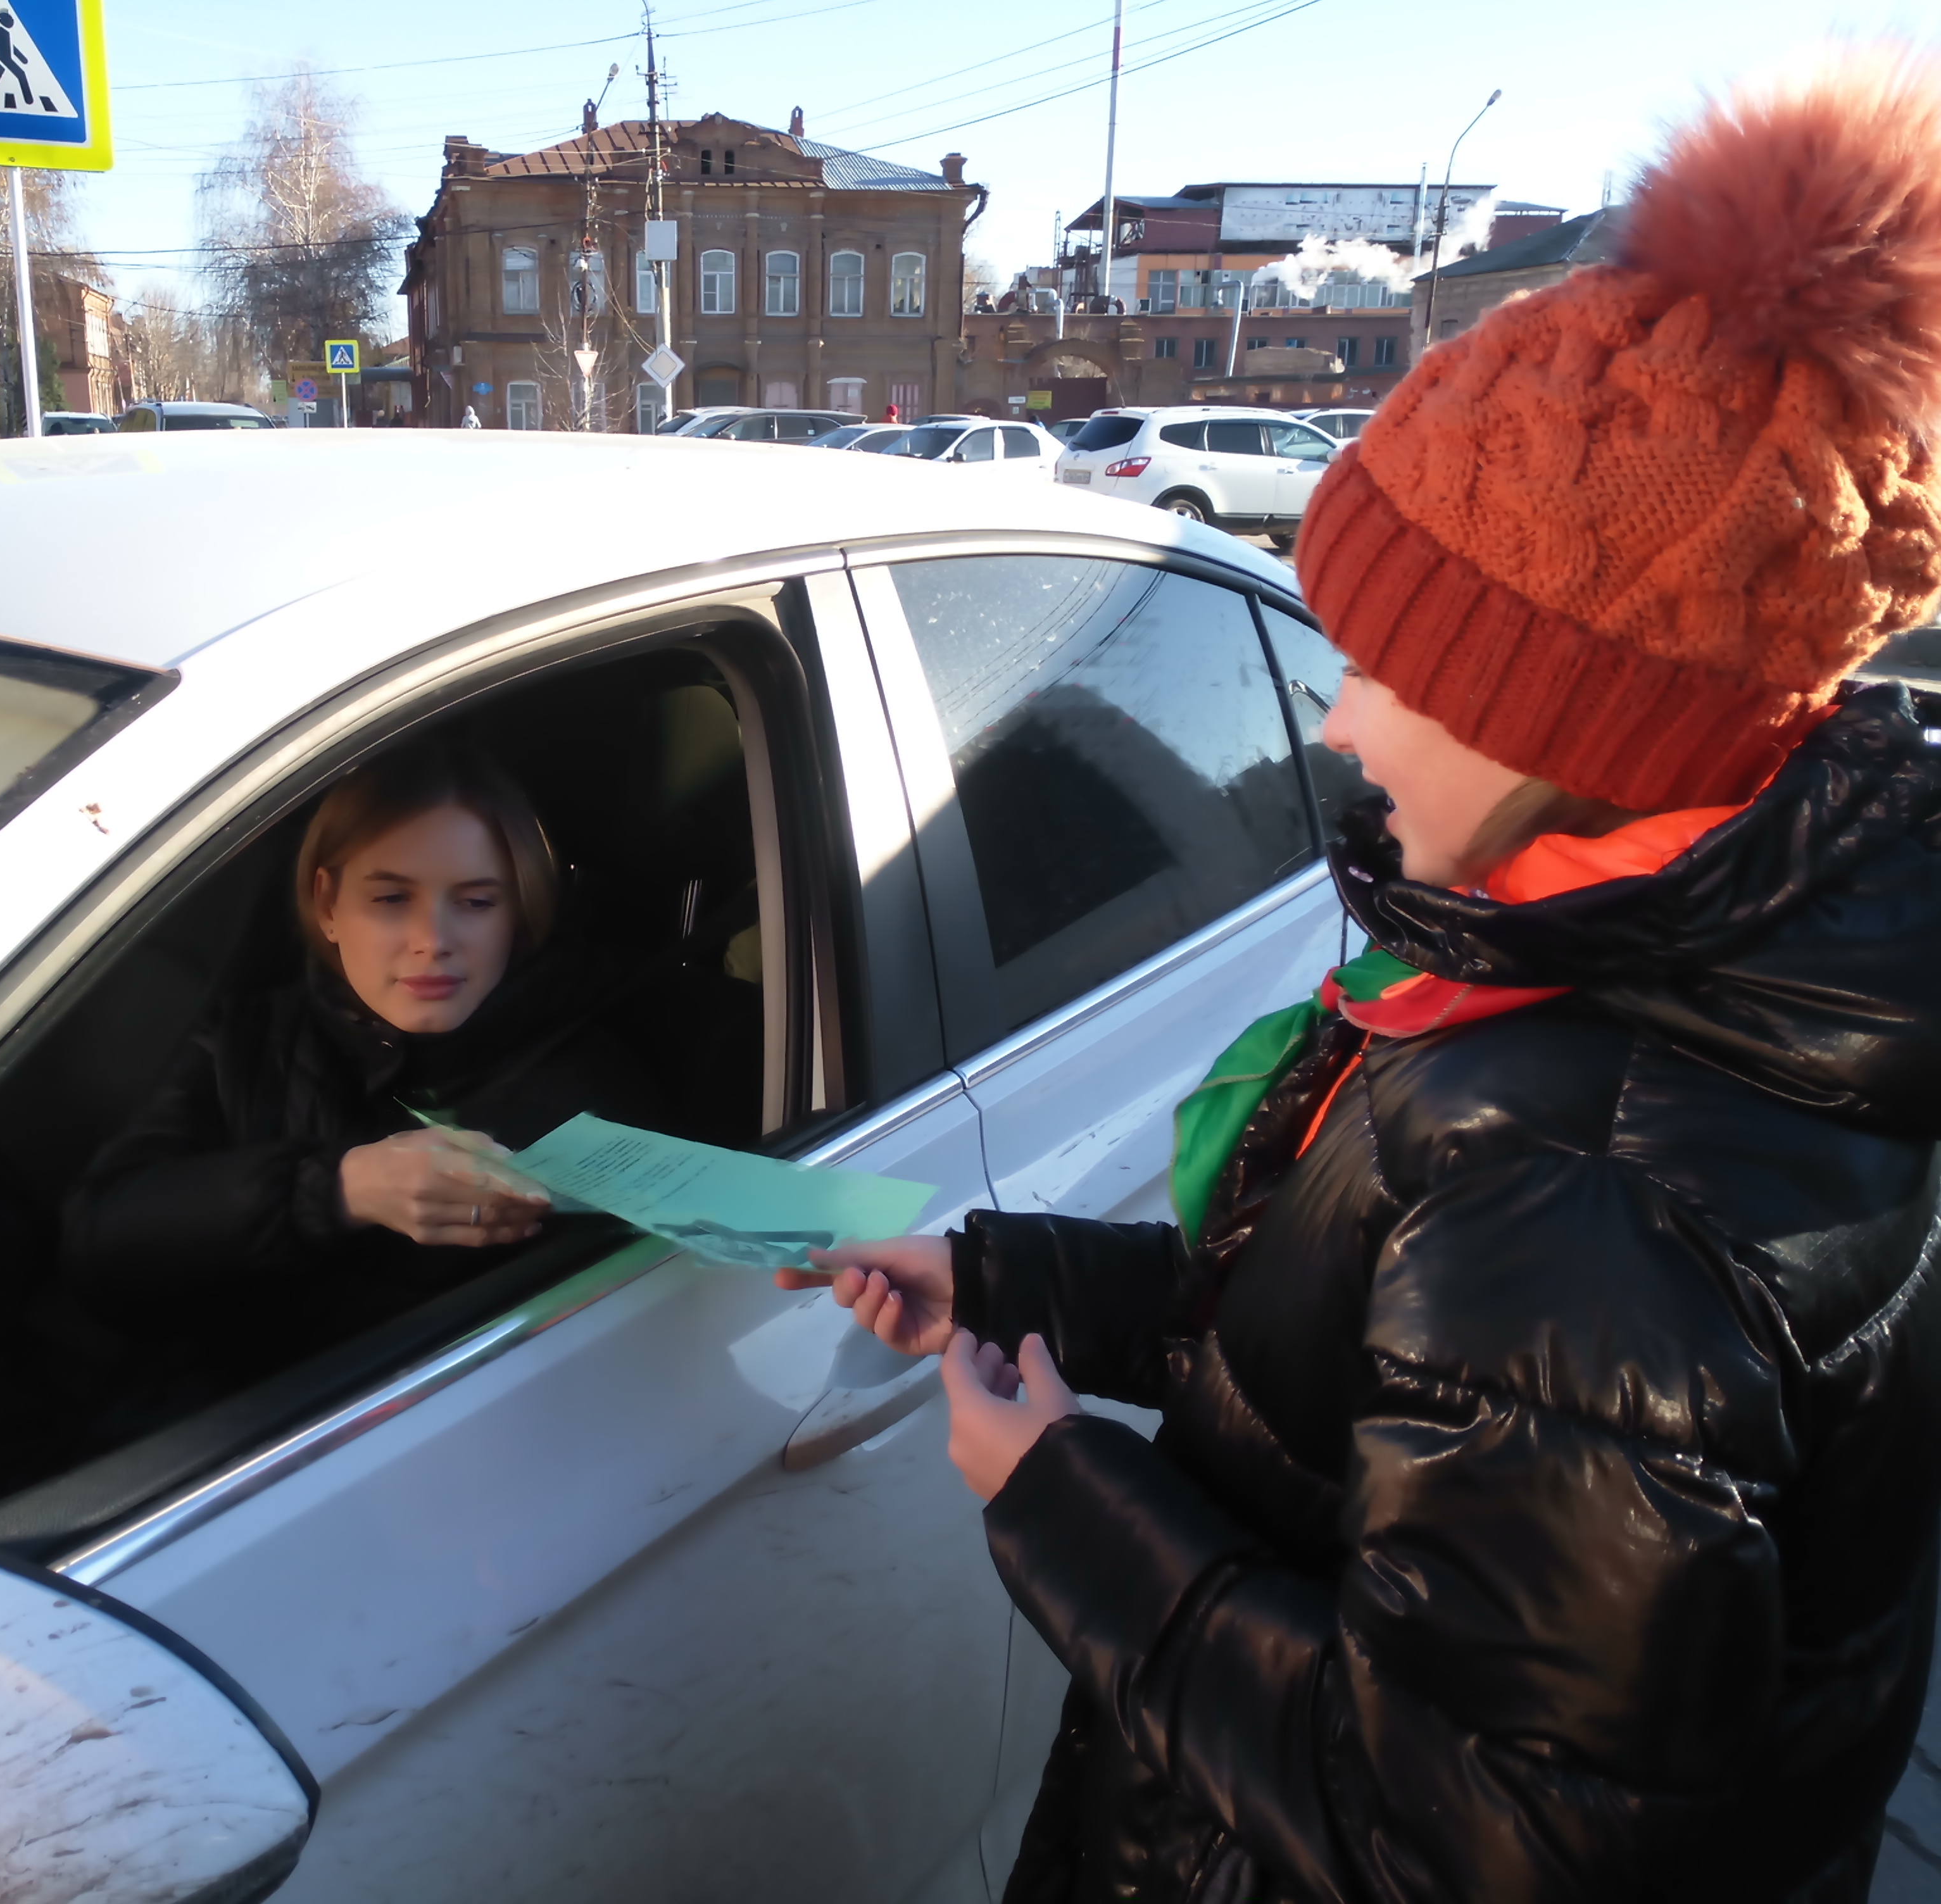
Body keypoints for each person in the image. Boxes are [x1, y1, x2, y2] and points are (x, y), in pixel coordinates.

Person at [796, 61, 1941, 1904]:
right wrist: (1011, 1282)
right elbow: (1354, 1357)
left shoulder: (1584, 1189)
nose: (1331, 714)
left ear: (1566, 717)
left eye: (1391, 666)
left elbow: (1457, 1849)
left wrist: (1059, 1504)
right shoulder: (1592, 993)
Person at [61, 739, 661, 1338]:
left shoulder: (594, 1095)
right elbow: (101, 1244)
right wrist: (336, 1189)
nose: (432, 939)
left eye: (476, 902)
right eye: (392, 899)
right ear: (328, 903)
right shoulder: (250, 1036)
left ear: (516, 913)